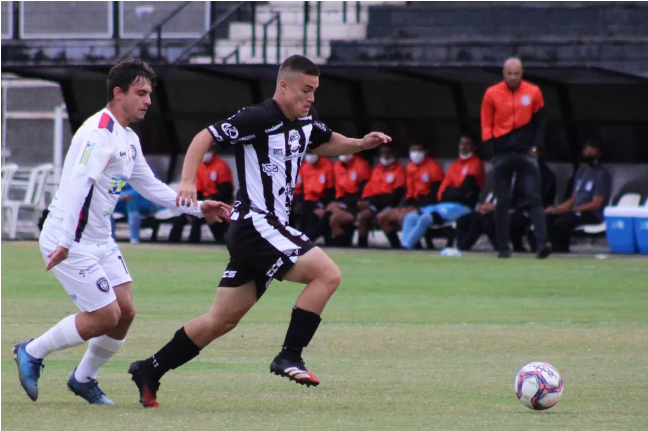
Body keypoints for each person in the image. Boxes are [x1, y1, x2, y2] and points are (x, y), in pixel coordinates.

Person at [127, 55, 391, 408]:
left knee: (220, 320)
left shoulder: (305, 120)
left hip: (263, 229)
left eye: (315, 91)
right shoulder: (259, 117)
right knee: (327, 275)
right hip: (256, 223)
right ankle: (289, 355)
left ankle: (149, 369)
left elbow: (325, 141)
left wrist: (360, 144)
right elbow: (204, 137)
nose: (311, 98)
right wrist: (188, 181)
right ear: (284, 86)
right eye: (305, 90)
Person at [12, 59, 228, 405]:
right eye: (141, 93)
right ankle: (31, 351)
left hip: (100, 240)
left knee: (125, 312)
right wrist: (66, 242)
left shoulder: (126, 137)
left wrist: (199, 207)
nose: (147, 101)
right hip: (68, 238)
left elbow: (152, 187)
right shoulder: (98, 133)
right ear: (118, 93)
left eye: (149, 94)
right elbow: (77, 188)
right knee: (105, 316)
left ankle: (84, 379)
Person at [481, 57, 551, 259]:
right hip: (502, 152)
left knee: (533, 198)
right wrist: (490, 153)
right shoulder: (491, 94)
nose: (513, 77)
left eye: (517, 74)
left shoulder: (533, 92)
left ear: (522, 73)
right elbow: (486, 124)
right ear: (504, 73)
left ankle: (542, 244)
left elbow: (541, 123)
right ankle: (503, 248)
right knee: (502, 200)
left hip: (525, 152)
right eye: (509, 74)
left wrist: (536, 147)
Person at [401, 135, 484, 250]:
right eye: (461, 144)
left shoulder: (476, 164)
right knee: (410, 217)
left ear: (474, 147)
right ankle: (405, 246)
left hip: (463, 206)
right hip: (444, 205)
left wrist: (452, 192)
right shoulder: (455, 165)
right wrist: (453, 192)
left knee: (426, 218)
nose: (463, 147)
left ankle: (406, 247)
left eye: (467, 144)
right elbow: (442, 191)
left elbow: (464, 190)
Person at [545, 141, 611, 252]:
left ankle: (561, 250)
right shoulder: (581, 172)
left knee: (563, 222)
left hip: (592, 214)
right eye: (587, 154)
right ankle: (552, 249)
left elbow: (596, 204)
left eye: (592, 155)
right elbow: (574, 197)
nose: (589, 157)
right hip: (575, 211)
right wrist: (558, 208)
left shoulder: (601, 175)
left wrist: (572, 210)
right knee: (549, 218)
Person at [377, 143, 444, 249]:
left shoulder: (434, 167)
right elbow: (409, 191)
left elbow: (436, 195)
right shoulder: (410, 167)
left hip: (426, 206)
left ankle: (414, 247)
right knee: (382, 217)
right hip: (411, 203)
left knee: (405, 217)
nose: (415, 154)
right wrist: (403, 207)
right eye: (413, 150)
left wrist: (415, 207)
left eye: (419, 150)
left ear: (425, 152)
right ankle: (396, 246)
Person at [168, 147, 234, 243]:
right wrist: (191, 207)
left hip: (219, 202)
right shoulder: (200, 167)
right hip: (203, 202)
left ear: (213, 151)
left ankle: (196, 245)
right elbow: (198, 191)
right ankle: (171, 245)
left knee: (199, 221)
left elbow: (226, 190)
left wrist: (211, 200)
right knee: (180, 220)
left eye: (207, 152)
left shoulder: (221, 166)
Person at [354, 145, 406, 248]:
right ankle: (361, 248)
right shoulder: (377, 170)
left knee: (382, 217)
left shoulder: (399, 170)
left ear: (394, 153)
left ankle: (396, 247)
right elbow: (370, 189)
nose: (385, 155)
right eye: (383, 153)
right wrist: (364, 201)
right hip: (375, 204)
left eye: (388, 152)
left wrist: (373, 203)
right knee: (362, 217)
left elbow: (397, 195)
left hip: (390, 205)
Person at [327, 153, 372, 246]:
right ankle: (340, 246)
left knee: (361, 217)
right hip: (345, 203)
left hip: (359, 204)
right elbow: (338, 190)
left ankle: (361, 247)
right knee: (330, 215)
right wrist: (338, 202)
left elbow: (365, 189)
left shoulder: (361, 165)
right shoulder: (337, 166)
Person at [295, 152, 335, 243]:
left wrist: (323, 206)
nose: (310, 156)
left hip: (321, 201)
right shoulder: (304, 167)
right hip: (306, 201)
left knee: (315, 216)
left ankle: (309, 240)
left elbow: (330, 190)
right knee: (297, 213)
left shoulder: (328, 166)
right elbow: (300, 188)